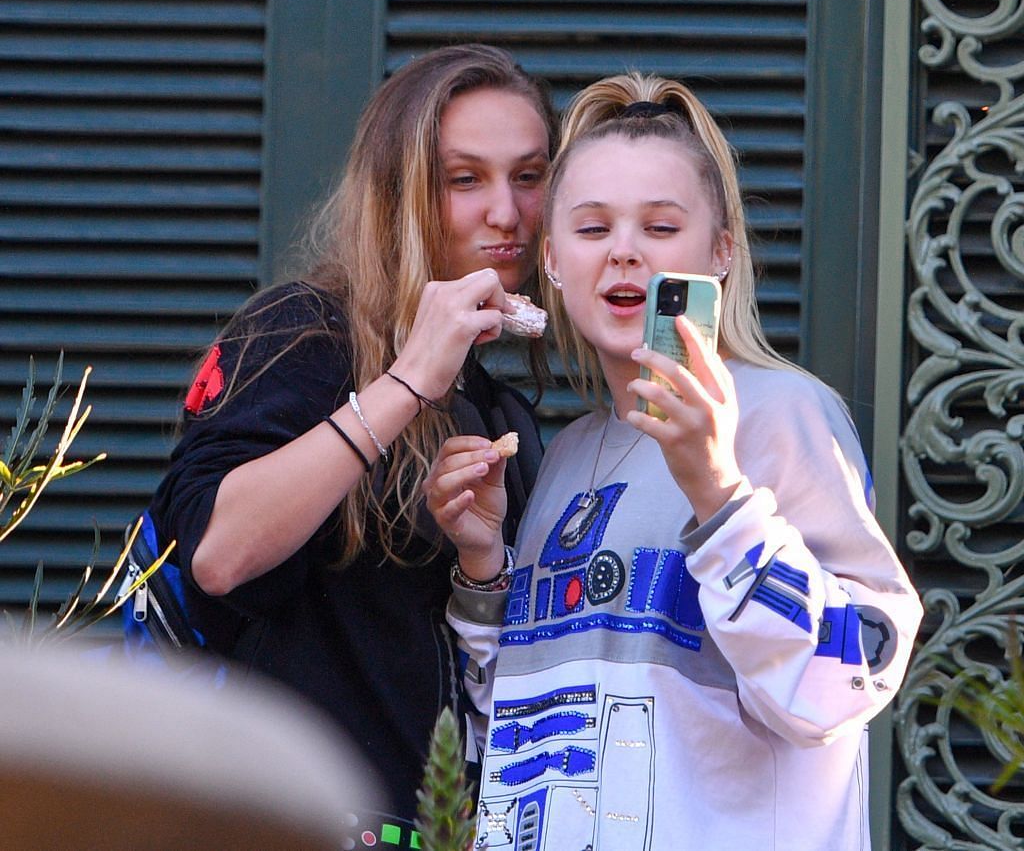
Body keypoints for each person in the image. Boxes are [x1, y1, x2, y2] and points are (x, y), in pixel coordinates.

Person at [425, 74, 923, 850]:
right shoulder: (566, 458)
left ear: (720, 250)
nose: (624, 252)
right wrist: (486, 568)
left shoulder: (780, 415)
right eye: (592, 231)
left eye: (660, 227)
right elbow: (518, 747)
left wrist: (719, 495)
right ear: (552, 259)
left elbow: (851, 679)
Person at [147, 44, 558, 823]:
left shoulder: (503, 411)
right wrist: (404, 384)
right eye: (464, 179)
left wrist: (481, 564)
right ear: (398, 194)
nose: (506, 212)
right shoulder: (303, 334)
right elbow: (218, 554)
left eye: (530, 176)